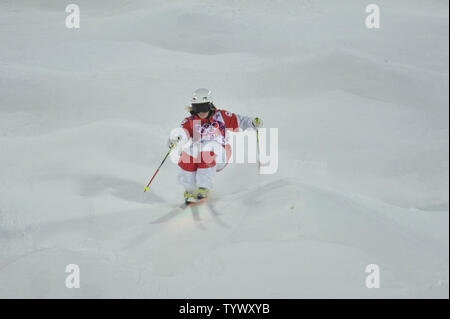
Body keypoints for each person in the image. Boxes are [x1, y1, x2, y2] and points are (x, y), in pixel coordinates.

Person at [168, 88, 263, 203]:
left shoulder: (221, 116)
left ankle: (203, 187)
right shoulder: (191, 121)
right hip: (199, 150)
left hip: (220, 151)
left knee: (207, 152)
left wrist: (252, 122)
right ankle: (190, 189)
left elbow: (240, 121)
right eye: (197, 108)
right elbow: (182, 132)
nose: (201, 112)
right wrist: (175, 139)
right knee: (186, 155)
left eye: (204, 107)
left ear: (210, 105)